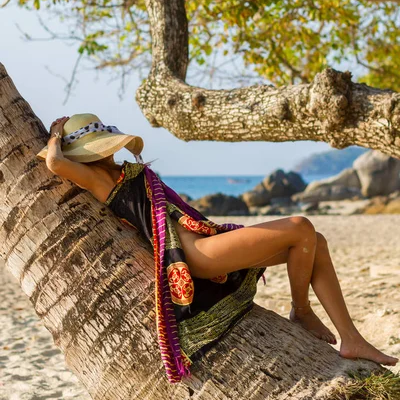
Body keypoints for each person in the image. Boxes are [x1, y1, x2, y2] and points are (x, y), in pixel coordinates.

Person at [36, 113, 399, 383]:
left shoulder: (120, 171)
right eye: (95, 147)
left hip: (206, 245)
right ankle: (301, 310)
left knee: (314, 242)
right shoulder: (98, 179)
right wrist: (55, 136)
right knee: (300, 227)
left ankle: (350, 338)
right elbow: (55, 163)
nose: (105, 152)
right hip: (196, 257)